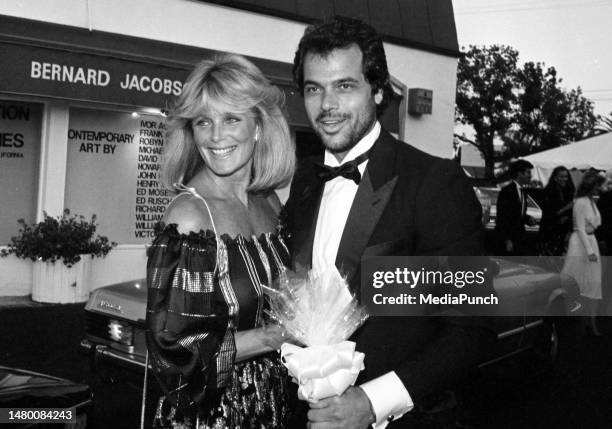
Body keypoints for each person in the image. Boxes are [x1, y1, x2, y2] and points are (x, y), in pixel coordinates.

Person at [285, 16, 497, 429]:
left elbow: (471, 328)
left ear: (379, 89)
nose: (327, 106)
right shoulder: (305, 181)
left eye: (344, 86)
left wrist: (371, 402)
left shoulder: (435, 183)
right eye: (314, 89)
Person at [145, 53, 296, 428]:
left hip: (271, 403)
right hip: (210, 414)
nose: (215, 136)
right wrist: (271, 338)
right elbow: (175, 350)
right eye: (203, 121)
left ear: (259, 126)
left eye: (231, 118)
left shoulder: (270, 201)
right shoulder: (190, 216)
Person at [562, 170, 605, 336]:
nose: (600, 188)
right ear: (591, 186)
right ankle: (581, 321)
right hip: (581, 244)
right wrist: (589, 251)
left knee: (593, 282)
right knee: (579, 281)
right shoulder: (580, 202)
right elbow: (580, 228)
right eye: (598, 185)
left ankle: (590, 320)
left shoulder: (590, 201)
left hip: (590, 241)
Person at [495, 159, 536, 255]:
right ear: (519, 174)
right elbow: (502, 217)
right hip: (509, 238)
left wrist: (528, 218)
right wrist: (507, 240)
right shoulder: (507, 191)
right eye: (528, 172)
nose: (530, 175)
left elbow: (517, 213)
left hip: (519, 237)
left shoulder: (523, 192)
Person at [538, 166, 575, 257]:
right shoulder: (548, 193)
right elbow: (548, 214)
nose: (564, 179)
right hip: (550, 233)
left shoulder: (570, 192)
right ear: (555, 178)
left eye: (566, 176)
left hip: (565, 233)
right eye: (561, 176)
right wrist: (566, 208)